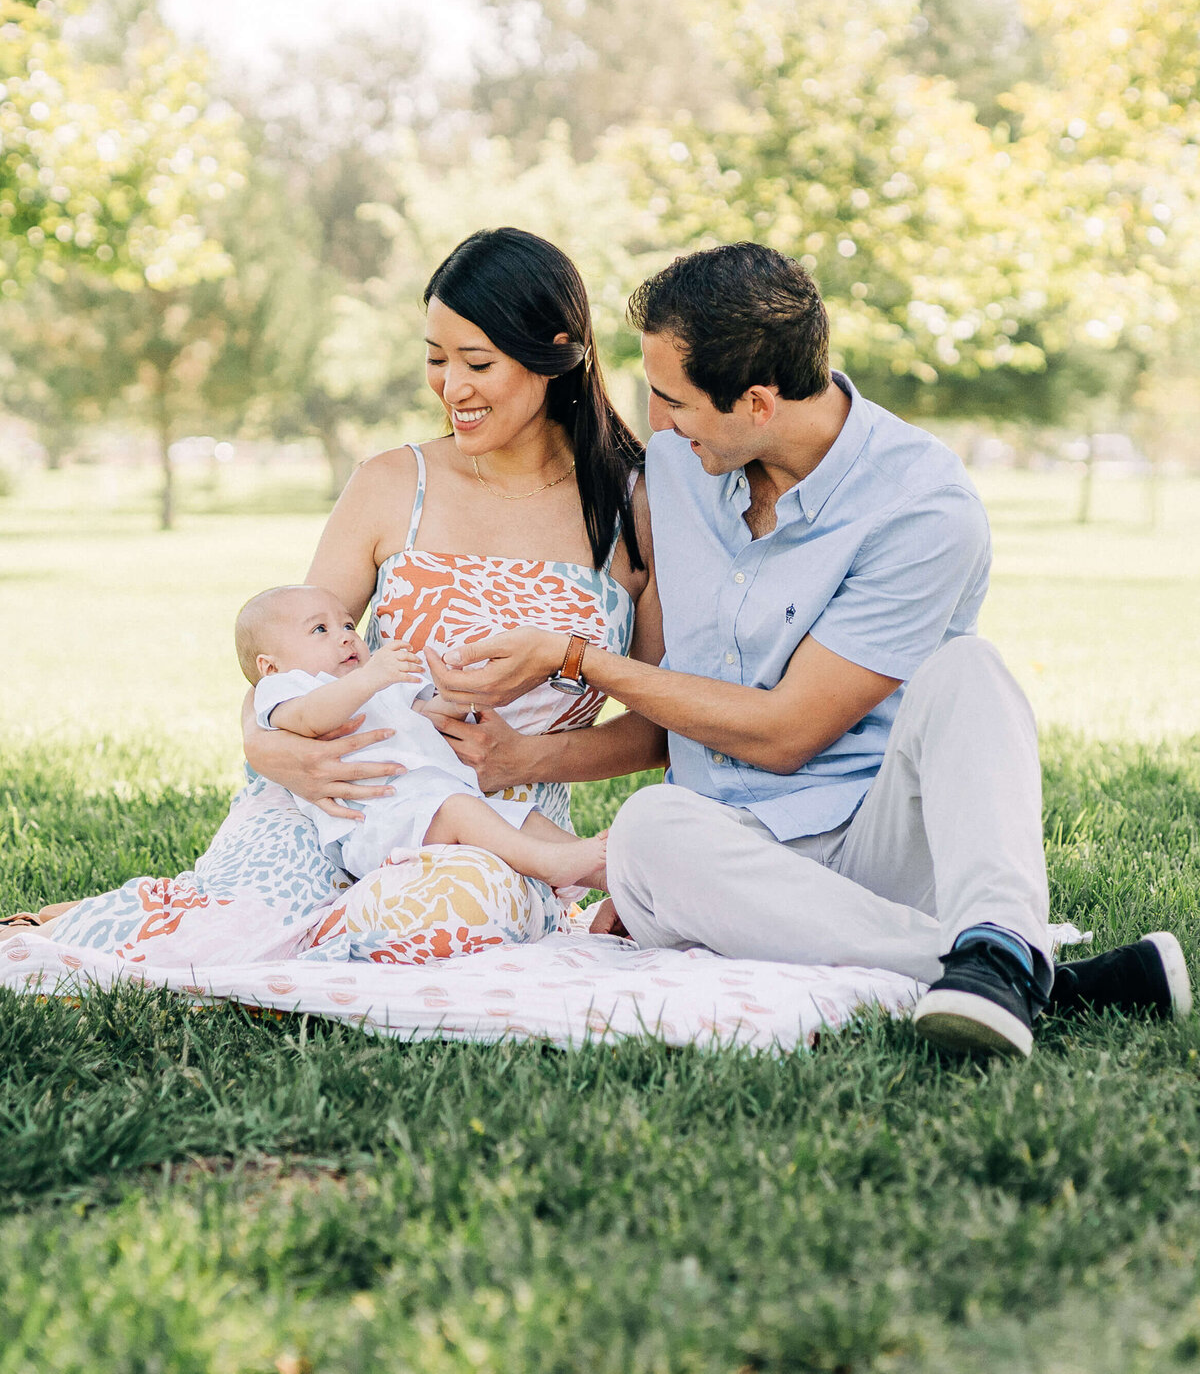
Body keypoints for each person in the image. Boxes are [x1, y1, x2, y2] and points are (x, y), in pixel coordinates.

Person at [427, 242, 1192, 1058]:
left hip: (875, 843)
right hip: (724, 861)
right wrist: (515, 754)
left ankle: (998, 940)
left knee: (970, 671)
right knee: (648, 828)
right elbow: (660, 712)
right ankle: (1009, 969)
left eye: (673, 400)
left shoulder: (922, 508)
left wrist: (575, 657)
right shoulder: (681, 471)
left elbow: (789, 734)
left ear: (757, 403)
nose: (657, 424)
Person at [8, 229, 662, 965]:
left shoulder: (635, 508)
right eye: (436, 360)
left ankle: (290, 941)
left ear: (558, 351)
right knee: (238, 918)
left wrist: (524, 760)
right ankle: (108, 927)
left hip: (498, 825)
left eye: (478, 362)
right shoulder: (391, 483)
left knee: (438, 914)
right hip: (332, 796)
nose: (453, 388)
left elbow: (660, 724)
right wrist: (264, 741)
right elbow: (288, 645)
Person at [240, 583, 608, 889]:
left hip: (433, 803)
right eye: (321, 630)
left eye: (349, 626)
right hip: (376, 823)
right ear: (269, 665)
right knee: (461, 810)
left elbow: (428, 717)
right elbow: (309, 719)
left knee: (524, 819)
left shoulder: (378, 684)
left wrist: (458, 690)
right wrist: (370, 678)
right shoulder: (285, 688)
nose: (346, 638)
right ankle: (549, 866)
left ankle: (613, 876)